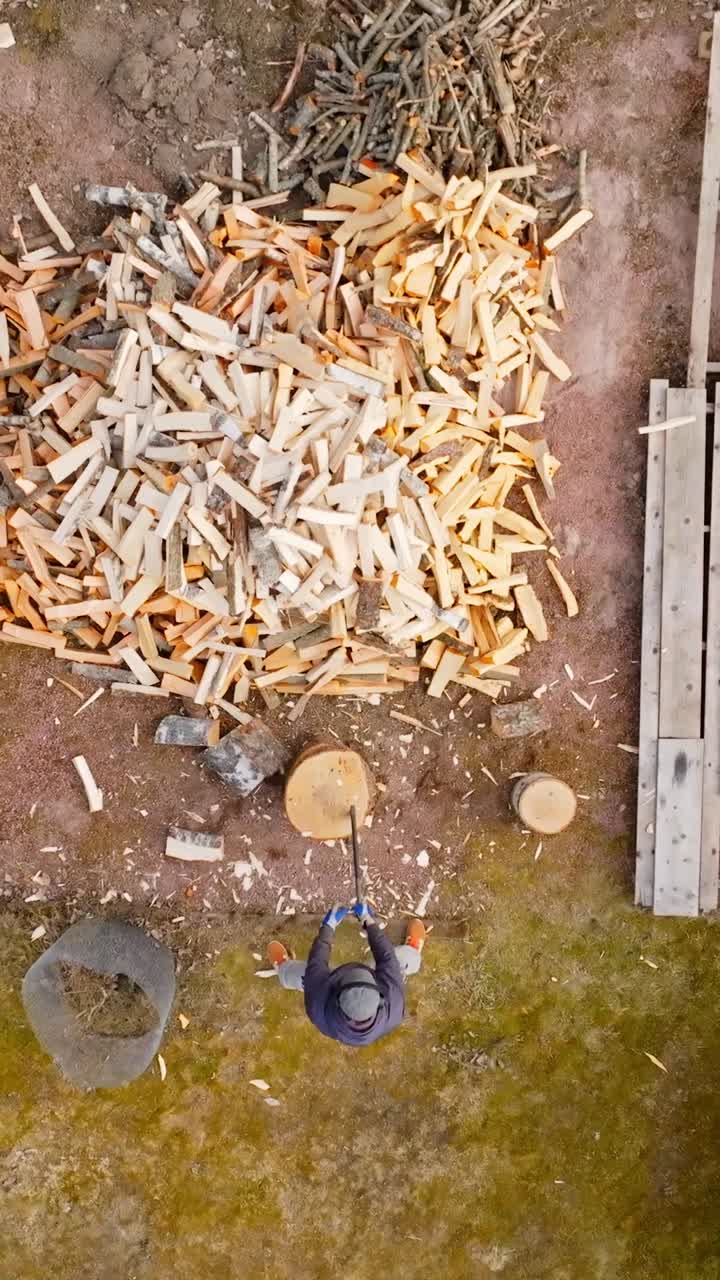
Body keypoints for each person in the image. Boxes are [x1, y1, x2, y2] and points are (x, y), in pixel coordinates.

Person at [267, 902, 426, 1047]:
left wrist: (327, 927)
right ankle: (411, 952)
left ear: (336, 1000)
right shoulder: (394, 1005)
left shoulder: (318, 1007)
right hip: (370, 979)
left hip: (332, 983)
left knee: (307, 978)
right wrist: (369, 922)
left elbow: (317, 963)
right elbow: (387, 958)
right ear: (380, 998)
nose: (356, 969)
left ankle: (284, 970)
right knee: (399, 963)